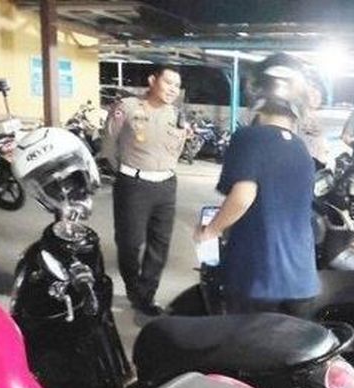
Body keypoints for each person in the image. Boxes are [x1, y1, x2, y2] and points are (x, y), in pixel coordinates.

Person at [194, 53, 319, 317]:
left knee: (246, 343)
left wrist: (211, 231)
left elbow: (242, 197)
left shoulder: (249, 138)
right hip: (301, 279)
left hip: (259, 277)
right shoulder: (300, 148)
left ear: (258, 90)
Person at [101, 64, 188, 316]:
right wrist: (125, 172)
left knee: (160, 244)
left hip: (167, 185)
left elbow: (178, 149)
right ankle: (133, 287)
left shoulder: (177, 115)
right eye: (168, 82)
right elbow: (109, 144)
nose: (173, 89)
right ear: (152, 80)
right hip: (134, 184)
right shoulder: (127, 107)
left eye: (177, 85)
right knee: (129, 243)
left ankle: (146, 296)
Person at [299, 84, 329, 169]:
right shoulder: (299, 118)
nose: (316, 99)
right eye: (312, 95)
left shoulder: (317, 118)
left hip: (320, 163)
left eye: (319, 97)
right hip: (307, 162)